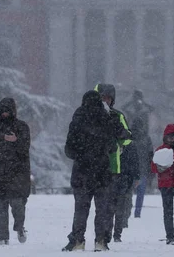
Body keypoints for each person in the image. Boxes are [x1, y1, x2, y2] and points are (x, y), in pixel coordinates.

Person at [62, 90, 129, 252]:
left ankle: (78, 241)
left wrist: (81, 153)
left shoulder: (77, 119)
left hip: (81, 171)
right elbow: (116, 143)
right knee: (102, 209)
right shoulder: (107, 118)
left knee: (81, 208)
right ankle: (100, 241)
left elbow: (69, 150)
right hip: (102, 171)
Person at [0, 98, 31, 246]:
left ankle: (19, 227)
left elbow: (25, 148)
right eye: (2, 111)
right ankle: (2, 236)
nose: (5, 114)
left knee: (18, 203)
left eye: (7, 111)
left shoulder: (22, 126)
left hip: (18, 171)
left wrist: (15, 141)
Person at [94, 83, 133, 249]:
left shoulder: (117, 116)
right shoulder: (88, 115)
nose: (105, 101)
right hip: (92, 167)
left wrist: (121, 134)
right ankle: (94, 236)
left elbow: (127, 138)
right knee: (92, 205)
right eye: (102, 97)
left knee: (108, 206)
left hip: (111, 167)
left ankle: (104, 236)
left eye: (108, 98)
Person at [112, 140, 140, 242]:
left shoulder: (130, 145)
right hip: (119, 177)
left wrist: (136, 176)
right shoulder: (129, 144)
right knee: (118, 207)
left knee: (120, 206)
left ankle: (116, 232)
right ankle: (115, 232)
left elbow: (135, 162)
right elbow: (135, 162)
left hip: (123, 178)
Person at [131, 114, 154, 218]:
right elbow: (150, 155)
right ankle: (137, 213)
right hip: (143, 169)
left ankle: (126, 211)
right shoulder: (146, 138)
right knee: (140, 193)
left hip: (129, 169)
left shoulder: (128, 136)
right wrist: (151, 170)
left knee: (127, 192)